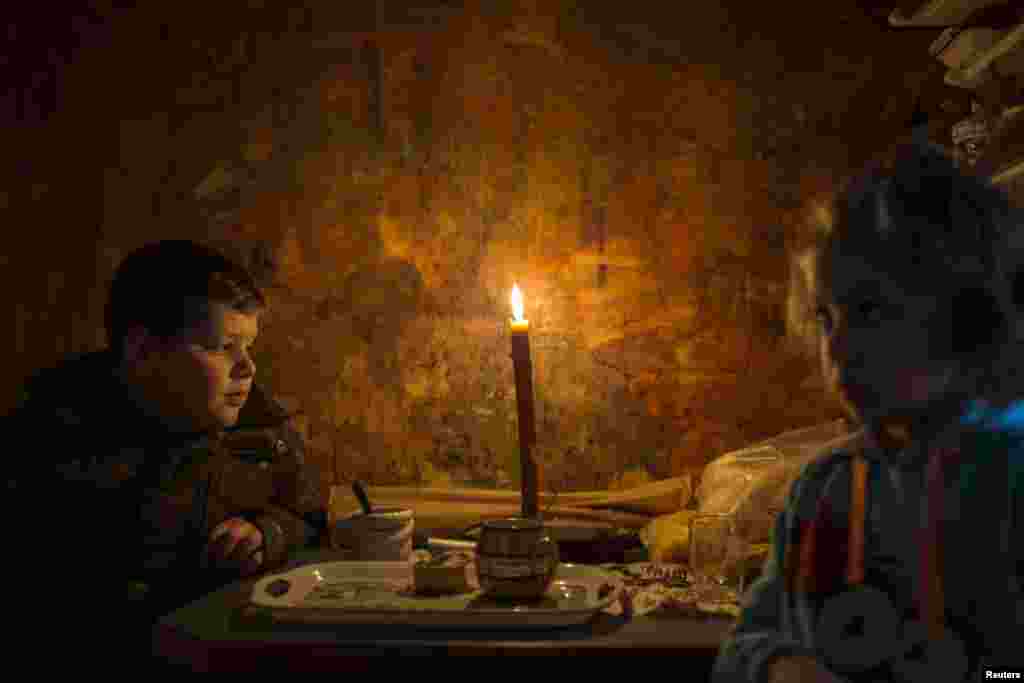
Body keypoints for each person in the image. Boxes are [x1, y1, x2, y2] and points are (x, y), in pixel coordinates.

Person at [713, 141, 1024, 682]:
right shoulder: (824, 488)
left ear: (961, 306)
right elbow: (746, 645)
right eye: (828, 317)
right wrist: (781, 667)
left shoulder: (1009, 477)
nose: (837, 346)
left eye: (871, 309)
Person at [3, 240, 326, 667]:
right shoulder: (46, 436)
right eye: (221, 346)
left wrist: (266, 533)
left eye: (248, 346)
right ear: (142, 352)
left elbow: (309, 515)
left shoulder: (262, 426)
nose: (247, 367)